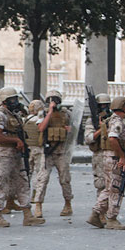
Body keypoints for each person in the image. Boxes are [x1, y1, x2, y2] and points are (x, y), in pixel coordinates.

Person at [0, 87, 45, 228]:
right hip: (3, 154)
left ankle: (28, 215)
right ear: (5, 101)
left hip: (17, 154)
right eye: (11, 99)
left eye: (15, 99)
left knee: (23, 182)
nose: (14, 102)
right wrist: (16, 141)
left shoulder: (15, 115)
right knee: (0, 183)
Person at [87, 96, 125, 230]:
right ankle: (112, 219)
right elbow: (113, 138)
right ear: (124, 108)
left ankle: (96, 214)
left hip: (108, 157)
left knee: (108, 188)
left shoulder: (110, 119)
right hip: (114, 158)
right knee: (116, 188)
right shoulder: (117, 121)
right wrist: (122, 157)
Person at [32, 90, 73, 218]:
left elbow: (75, 131)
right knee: (42, 179)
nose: (53, 102)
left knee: (65, 179)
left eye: (55, 100)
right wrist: (49, 112)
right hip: (48, 151)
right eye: (51, 100)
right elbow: (41, 128)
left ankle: (68, 204)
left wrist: (69, 130)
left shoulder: (66, 114)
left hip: (61, 152)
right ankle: (38, 205)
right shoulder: (42, 113)